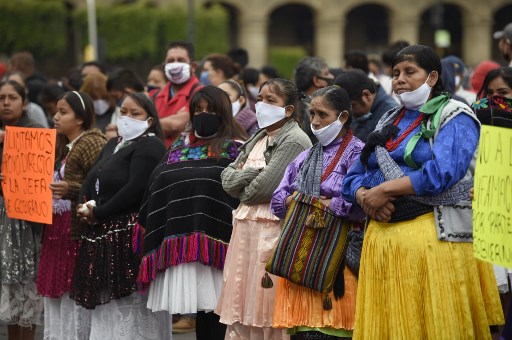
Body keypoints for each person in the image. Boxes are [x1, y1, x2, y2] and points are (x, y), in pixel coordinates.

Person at [341, 44, 504, 339]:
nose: (399, 79)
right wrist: (365, 197)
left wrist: (386, 190)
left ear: (431, 77)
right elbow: (352, 176)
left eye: (409, 72)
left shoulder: (456, 116)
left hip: (435, 243)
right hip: (383, 246)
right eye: (395, 73)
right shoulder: (388, 119)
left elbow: (443, 172)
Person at [136, 86, 247, 340]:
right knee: (203, 313)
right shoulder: (178, 147)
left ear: (224, 113)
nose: (203, 115)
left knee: (220, 317)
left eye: (210, 110)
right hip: (180, 240)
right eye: (198, 110)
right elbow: (157, 181)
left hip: (223, 243)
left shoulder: (237, 149)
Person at [216, 78, 312, 339]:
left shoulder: (293, 140)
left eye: (271, 100)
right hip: (246, 231)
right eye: (259, 98)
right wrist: (252, 175)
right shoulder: (259, 135)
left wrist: (246, 179)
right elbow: (226, 177)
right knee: (242, 300)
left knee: (266, 305)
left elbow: (262, 189)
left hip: (271, 231)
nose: (261, 105)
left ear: (289, 109)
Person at [70, 92, 169, 339]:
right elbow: (92, 176)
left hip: (127, 234)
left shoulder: (151, 145)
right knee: (107, 308)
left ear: (149, 119)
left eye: (135, 113)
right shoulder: (114, 143)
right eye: (123, 111)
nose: (127, 117)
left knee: (129, 303)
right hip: (101, 231)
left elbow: (135, 188)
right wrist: (85, 205)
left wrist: (100, 212)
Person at [270, 86, 365, 339]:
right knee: (303, 332)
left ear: (343, 117)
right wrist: (301, 200)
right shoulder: (306, 156)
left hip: (338, 260)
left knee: (331, 331)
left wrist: (326, 204)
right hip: (300, 258)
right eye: (312, 114)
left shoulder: (358, 153)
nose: (315, 122)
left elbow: (360, 203)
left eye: (323, 114)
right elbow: (278, 200)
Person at [36, 91, 107, 339]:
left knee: (73, 292)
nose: (55, 117)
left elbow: (101, 184)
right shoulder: (65, 145)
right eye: (56, 111)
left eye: (63, 112)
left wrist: (71, 189)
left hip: (74, 231)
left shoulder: (91, 142)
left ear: (80, 118)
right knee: (58, 295)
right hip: (57, 229)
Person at [0, 80, 45, 340]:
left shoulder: (34, 131)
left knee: (24, 287)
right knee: (8, 290)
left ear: (24, 102)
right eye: (2, 98)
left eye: (12, 98)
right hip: (2, 216)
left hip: (24, 220)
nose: (6, 103)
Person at [153, 41, 203, 147]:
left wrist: (147, 123)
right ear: (164, 66)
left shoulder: (202, 94)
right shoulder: (154, 95)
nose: (175, 65)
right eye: (170, 61)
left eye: (180, 60)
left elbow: (177, 124)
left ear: (193, 66)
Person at [334, 69, 397, 142]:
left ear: (366, 95)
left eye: (353, 106)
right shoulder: (364, 112)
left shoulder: (391, 115)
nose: (351, 113)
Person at [294, 57, 335, 143]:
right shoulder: (309, 108)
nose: (332, 76)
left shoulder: (294, 103)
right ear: (316, 80)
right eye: (326, 74)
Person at [80, 72, 118, 137]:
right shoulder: (80, 118)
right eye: (94, 98)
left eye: (104, 97)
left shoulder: (120, 114)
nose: (99, 102)